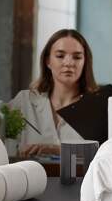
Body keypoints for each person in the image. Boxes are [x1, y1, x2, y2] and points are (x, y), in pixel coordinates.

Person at [9, 29, 98, 158]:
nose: (69, 63)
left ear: (85, 62)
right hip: (29, 177)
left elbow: (106, 154)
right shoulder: (24, 101)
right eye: (60, 56)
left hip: (81, 178)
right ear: (48, 61)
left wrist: (57, 150)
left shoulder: (97, 108)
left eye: (77, 57)